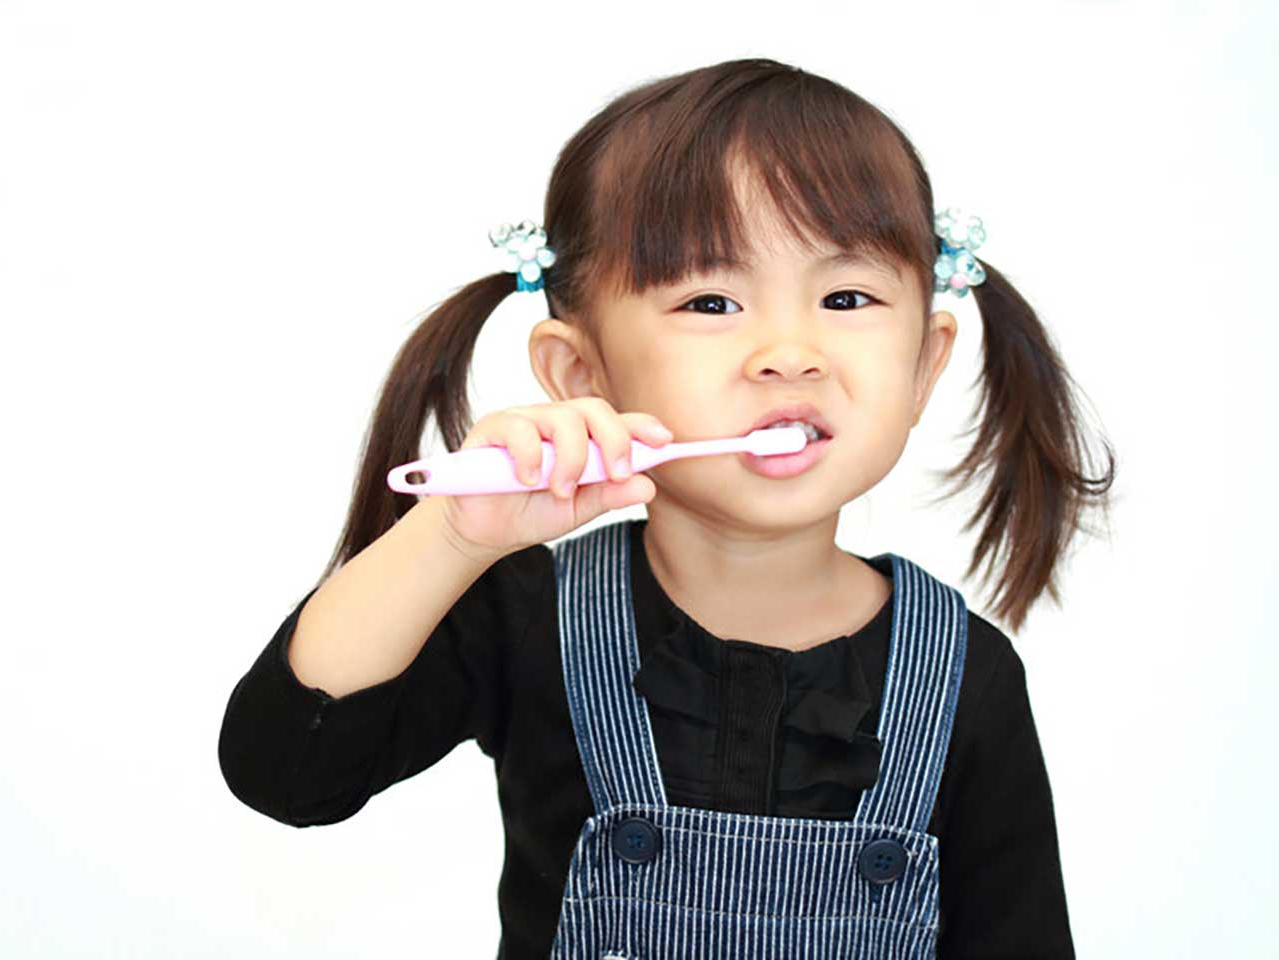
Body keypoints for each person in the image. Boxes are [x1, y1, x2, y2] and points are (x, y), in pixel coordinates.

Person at [219, 57, 1115, 959]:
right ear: (583, 374)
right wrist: (452, 536)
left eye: (846, 297)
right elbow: (287, 772)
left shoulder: (968, 676)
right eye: (712, 300)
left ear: (925, 367)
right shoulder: (528, 614)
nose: (789, 352)